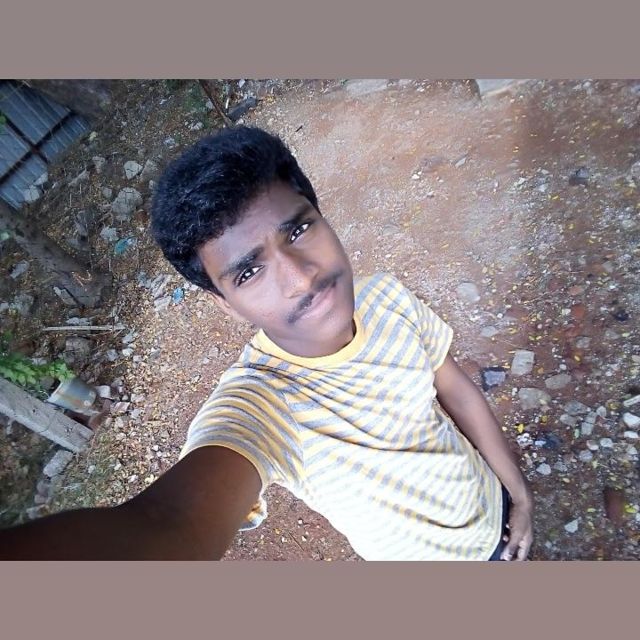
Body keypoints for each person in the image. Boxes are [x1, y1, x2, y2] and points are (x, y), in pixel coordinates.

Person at [0, 126, 533, 560]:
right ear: (228, 305)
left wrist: (517, 493)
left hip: (496, 502)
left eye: (298, 232)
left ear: (323, 217)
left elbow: (456, 390)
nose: (301, 279)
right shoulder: (264, 405)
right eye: (249, 271)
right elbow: (166, 523)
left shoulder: (387, 299)